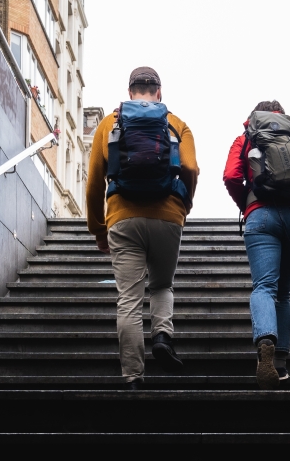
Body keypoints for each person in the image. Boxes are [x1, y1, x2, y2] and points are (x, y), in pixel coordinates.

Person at [86, 67, 198, 389]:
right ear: (159, 93)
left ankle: (134, 377)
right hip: (168, 215)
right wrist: (184, 204)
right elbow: (189, 167)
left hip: (123, 217)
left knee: (129, 300)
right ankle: (162, 336)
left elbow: (94, 182)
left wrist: (98, 229)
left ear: (130, 90)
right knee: (162, 285)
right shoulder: (177, 124)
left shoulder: (110, 123)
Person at [222, 100, 290, 389]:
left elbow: (231, 176)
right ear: (283, 115)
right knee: (282, 291)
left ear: (254, 116)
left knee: (264, 287)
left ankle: (266, 340)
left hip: (261, 215)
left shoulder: (244, 139)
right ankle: (280, 364)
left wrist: (247, 202)